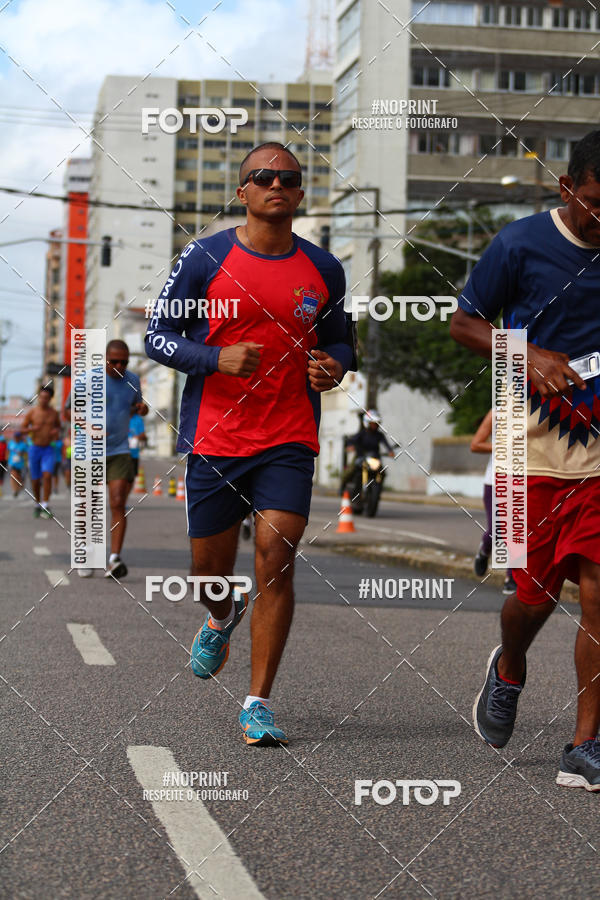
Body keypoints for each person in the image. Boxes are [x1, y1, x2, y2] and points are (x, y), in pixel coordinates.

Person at [145, 141, 356, 746]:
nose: (277, 184)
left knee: (276, 556)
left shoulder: (324, 268)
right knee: (208, 570)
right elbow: (158, 338)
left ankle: (258, 701)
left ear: (300, 191)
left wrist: (334, 367)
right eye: (263, 177)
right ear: (243, 191)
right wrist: (214, 358)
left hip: (288, 436)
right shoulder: (203, 258)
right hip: (216, 436)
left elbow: (344, 344)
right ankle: (219, 612)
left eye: (288, 177)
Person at [451, 130, 600, 789]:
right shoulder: (519, 244)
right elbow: (463, 323)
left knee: (599, 599)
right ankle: (509, 666)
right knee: (529, 599)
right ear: (568, 189)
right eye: (597, 201)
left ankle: (584, 745)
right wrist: (526, 354)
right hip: (523, 453)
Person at [66, 339, 148, 578]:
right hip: (89, 451)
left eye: (124, 362)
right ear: (105, 359)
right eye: (115, 362)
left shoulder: (132, 380)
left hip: (119, 450)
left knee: (118, 502)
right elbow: (69, 411)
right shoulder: (87, 380)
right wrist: (88, 426)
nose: (120, 366)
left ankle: (114, 559)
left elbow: (136, 406)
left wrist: (142, 409)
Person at [470, 409, 516, 594]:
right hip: (496, 482)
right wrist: (505, 446)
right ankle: (484, 549)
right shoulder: (497, 412)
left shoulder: (539, 410)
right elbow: (476, 445)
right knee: (497, 530)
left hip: (525, 481)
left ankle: (511, 577)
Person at [22, 385, 60, 518]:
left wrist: (56, 432)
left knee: (48, 475)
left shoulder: (54, 413)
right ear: (38, 397)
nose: (43, 400)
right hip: (34, 449)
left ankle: (45, 504)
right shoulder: (32, 412)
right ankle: (37, 503)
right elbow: (22, 429)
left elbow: (58, 428)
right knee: (36, 480)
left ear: (50, 399)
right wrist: (32, 429)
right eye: (41, 397)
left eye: (46, 398)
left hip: (48, 449)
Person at [340, 409, 394, 495]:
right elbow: (352, 440)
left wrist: (390, 451)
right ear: (367, 423)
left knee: (383, 473)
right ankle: (342, 487)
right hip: (361, 457)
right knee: (351, 471)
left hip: (375, 458)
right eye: (373, 423)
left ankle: (378, 489)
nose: (375, 425)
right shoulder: (362, 433)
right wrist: (350, 446)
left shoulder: (379, 435)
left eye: (376, 423)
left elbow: (386, 444)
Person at [128, 407, 147, 486]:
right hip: (121, 453)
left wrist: (136, 437)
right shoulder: (121, 417)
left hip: (134, 454)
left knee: (131, 478)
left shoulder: (138, 419)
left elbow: (143, 435)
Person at [7, 431, 27, 497]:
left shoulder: (23, 444)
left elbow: (27, 453)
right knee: (13, 476)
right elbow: (8, 451)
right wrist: (7, 458)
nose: (16, 438)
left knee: (19, 478)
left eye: (18, 437)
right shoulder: (10, 443)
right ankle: (15, 490)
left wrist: (22, 454)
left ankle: (19, 488)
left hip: (21, 464)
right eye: (15, 437)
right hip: (12, 463)